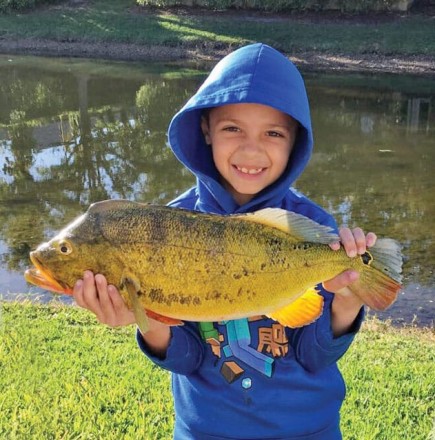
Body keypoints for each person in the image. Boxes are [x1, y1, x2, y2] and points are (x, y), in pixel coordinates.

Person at [73, 43, 376, 439]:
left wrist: (349, 300)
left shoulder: (313, 228)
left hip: (307, 430)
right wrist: (143, 319)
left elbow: (315, 355)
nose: (252, 149)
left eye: (273, 133)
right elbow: (186, 358)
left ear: (295, 142)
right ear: (206, 130)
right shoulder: (167, 227)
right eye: (233, 128)